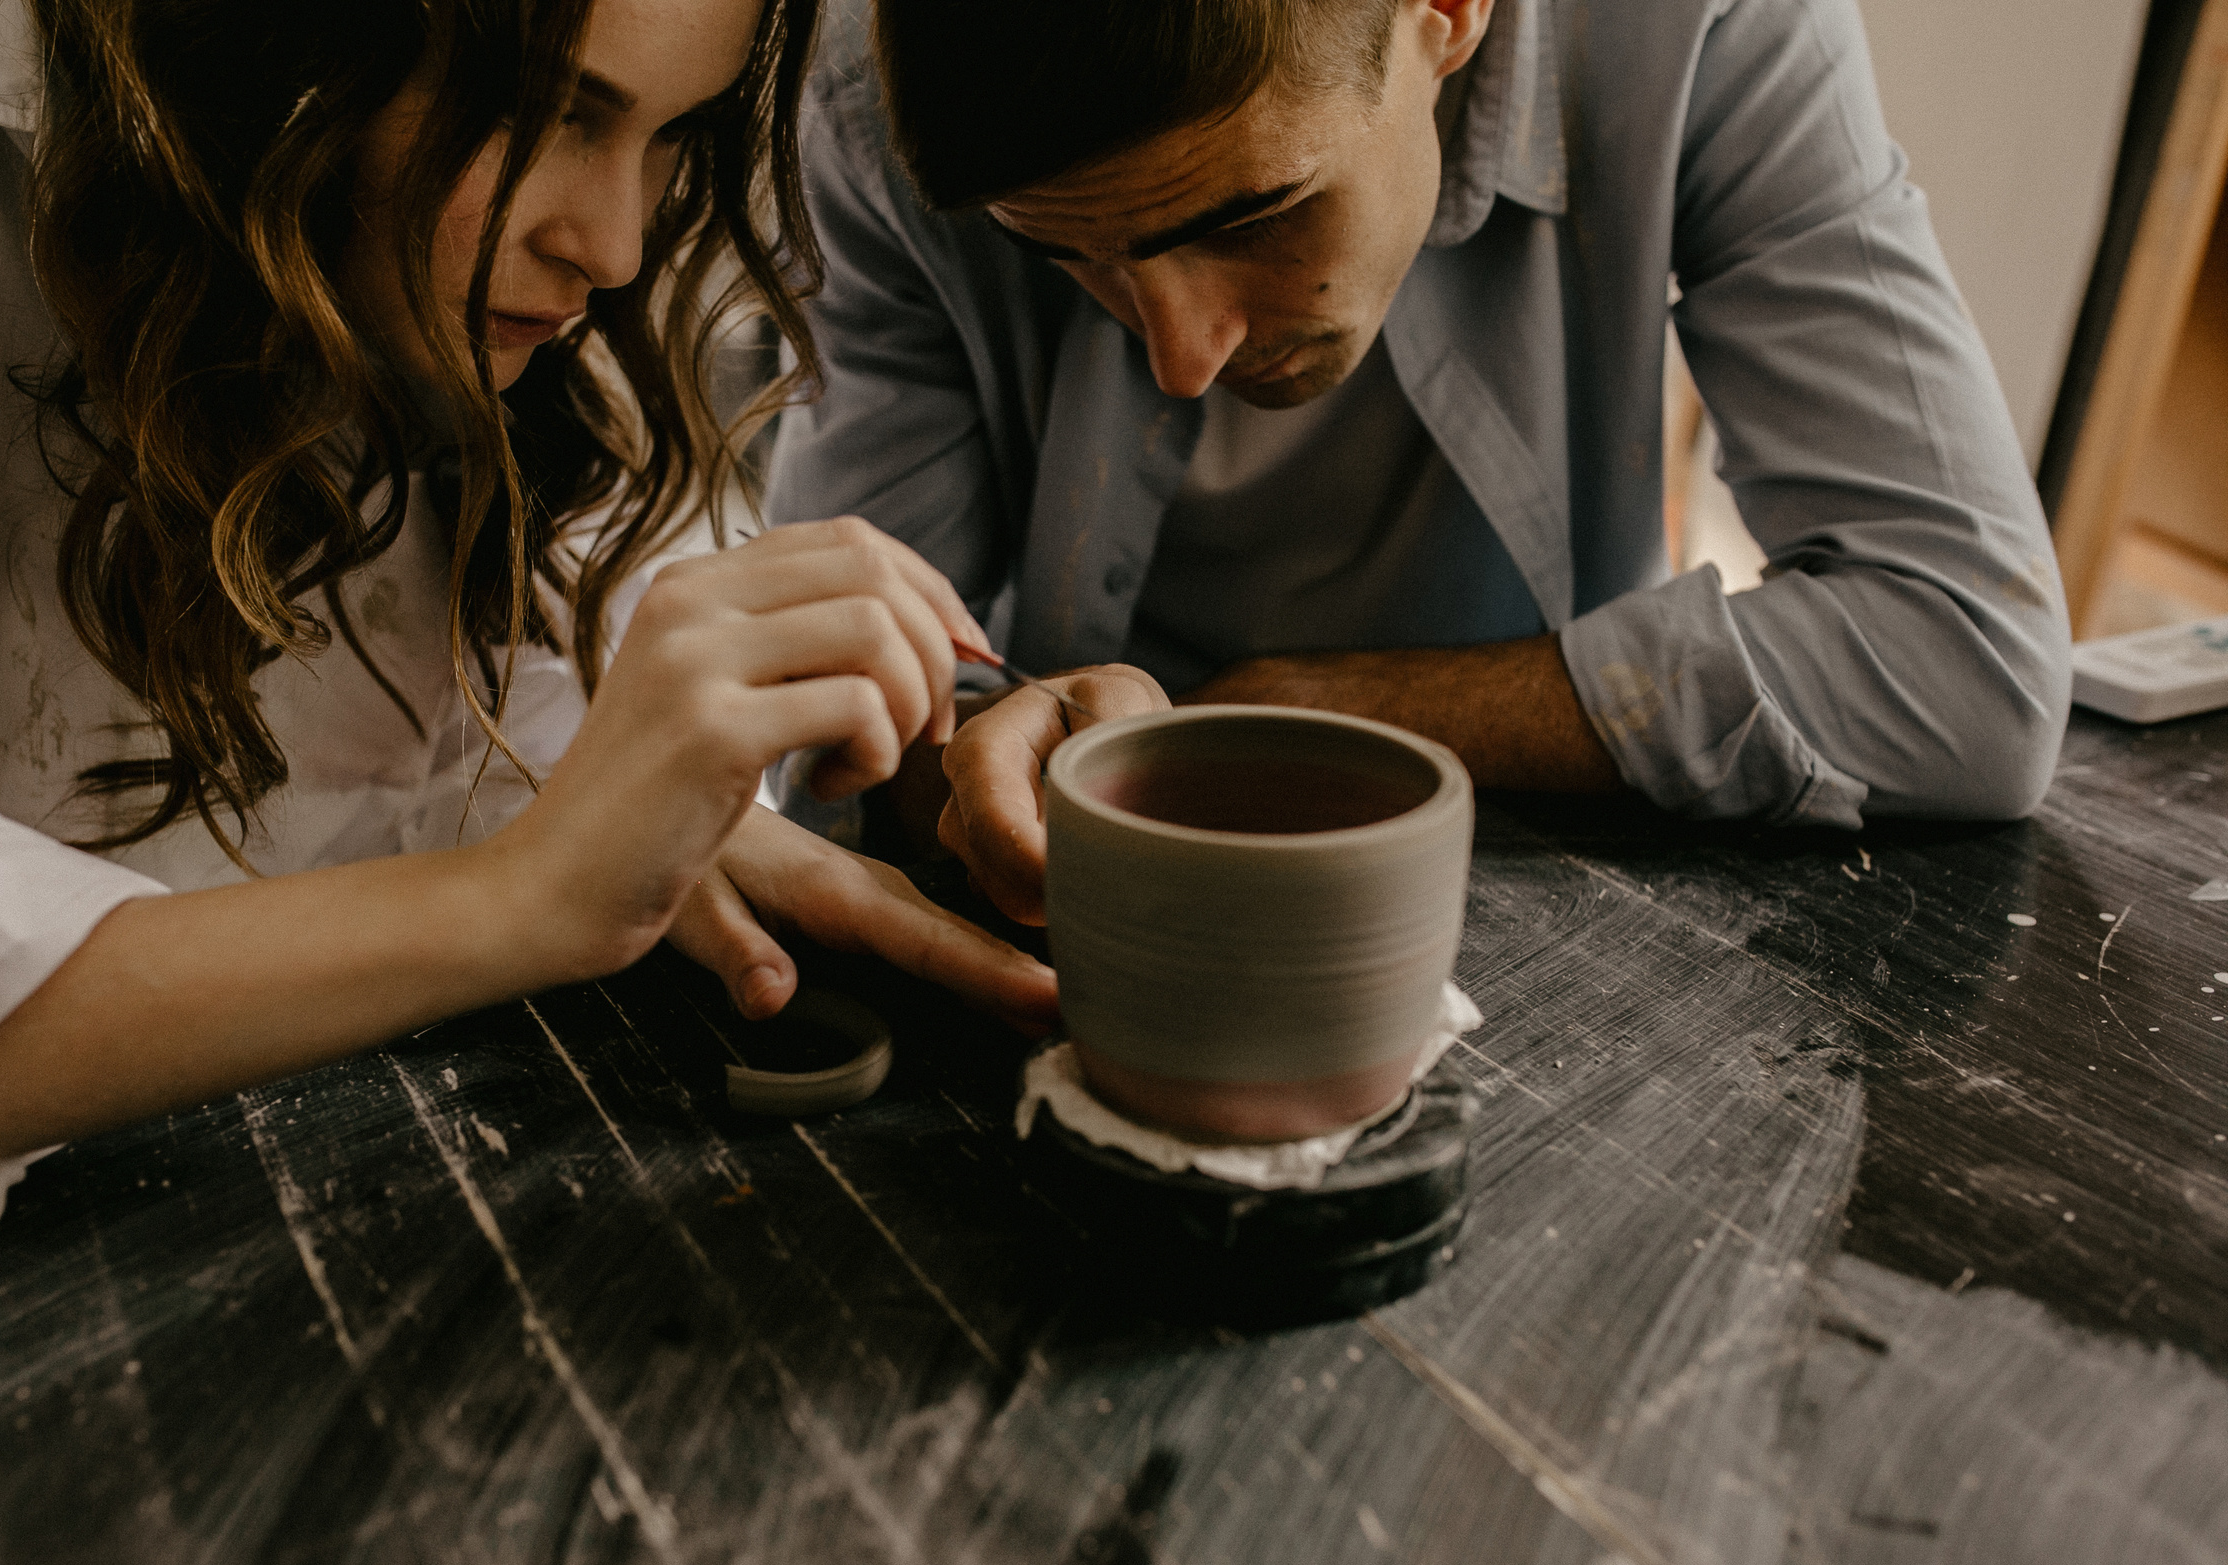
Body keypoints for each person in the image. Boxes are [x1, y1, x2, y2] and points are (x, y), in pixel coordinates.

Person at [0, 0, 1059, 1308]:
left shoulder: (539, 267)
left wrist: (594, 800)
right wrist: (520, 895)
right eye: (551, 114)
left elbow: (448, 711)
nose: (619, 247)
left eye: (674, 136)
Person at [765, 0, 2073, 926]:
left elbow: (1966, 656)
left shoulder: (1701, 22)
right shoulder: (861, 92)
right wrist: (980, 751)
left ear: (1446, 10)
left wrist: (1283, 710)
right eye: (1068, 253)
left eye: (1255, 215)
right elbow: (853, 700)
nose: (1182, 354)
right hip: (1093, 902)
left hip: (1597, 875)